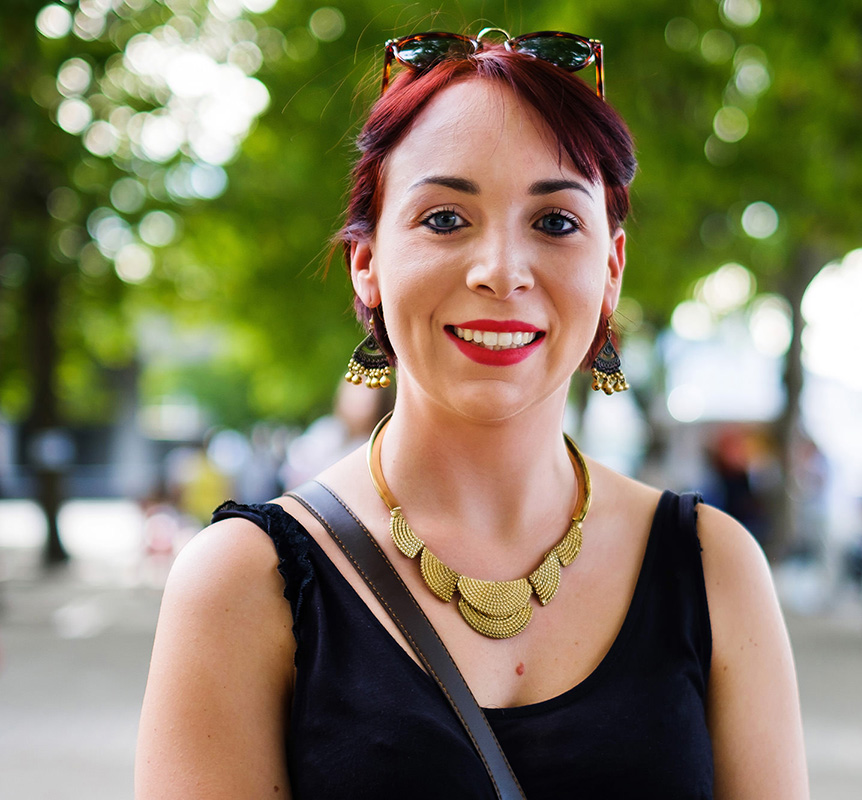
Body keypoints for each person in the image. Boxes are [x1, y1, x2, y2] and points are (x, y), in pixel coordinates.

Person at [135, 29, 808, 798]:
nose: (501, 272)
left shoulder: (715, 569)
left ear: (612, 268)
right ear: (368, 262)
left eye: (555, 222)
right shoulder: (240, 584)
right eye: (445, 219)